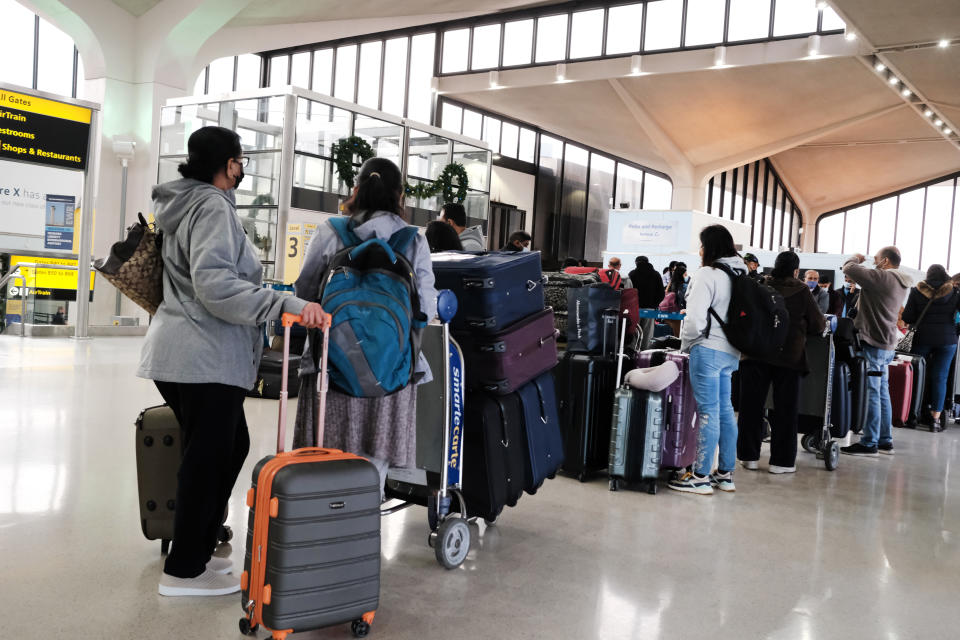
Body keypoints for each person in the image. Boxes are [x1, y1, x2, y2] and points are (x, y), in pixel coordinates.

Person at [137, 126, 326, 597]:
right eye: (240, 161)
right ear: (227, 164)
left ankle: (198, 550)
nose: (242, 170)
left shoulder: (182, 203)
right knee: (209, 457)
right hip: (204, 354)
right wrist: (279, 304)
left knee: (228, 446)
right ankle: (182, 571)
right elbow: (214, 286)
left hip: (181, 352)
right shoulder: (213, 206)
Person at [292, 157, 437, 472]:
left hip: (330, 369)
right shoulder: (414, 240)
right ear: (400, 197)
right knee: (373, 469)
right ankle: (363, 514)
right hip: (393, 373)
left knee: (322, 463)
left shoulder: (330, 231)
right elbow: (427, 307)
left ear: (356, 190)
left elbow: (304, 293)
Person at [668, 225, 745, 495]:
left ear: (709, 247)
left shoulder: (708, 273)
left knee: (708, 413)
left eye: (701, 244)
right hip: (731, 351)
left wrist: (687, 343)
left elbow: (695, 319)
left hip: (707, 348)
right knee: (725, 411)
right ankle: (724, 474)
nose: (699, 250)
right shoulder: (740, 273)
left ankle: (699, 476)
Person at [737, 251, 825, 474]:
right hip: (789, 357)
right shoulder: (803, 290)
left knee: (751, 407)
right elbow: (817, 325)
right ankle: (782, 462)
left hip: (755, 354)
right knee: (785, 410)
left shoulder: (760, 285)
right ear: (796, 271)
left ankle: (749, 457)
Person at [840, 247, 913, 456]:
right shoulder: (901, 282)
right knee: (882, 392)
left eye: (877, 259)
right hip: (887, 342)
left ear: (887, 261)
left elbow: (849, 268)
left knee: (873, 392)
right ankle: (884, 439)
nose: (874, 262)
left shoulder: (884, 278)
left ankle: (869, 441)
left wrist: (857, 258)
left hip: (873, 342)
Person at [901, 264, 960, 428]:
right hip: (948, 340)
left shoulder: (916, 291)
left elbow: (907, 316)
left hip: (923, 338)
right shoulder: (954, 292)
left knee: (918, 376)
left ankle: (913, 415)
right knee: (940, 377)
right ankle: (935, 420)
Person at [659, 263, 687, 336]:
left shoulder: (671, 283)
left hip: (669, 310)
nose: (686, 276)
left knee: (676, 332)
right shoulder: (684, 286)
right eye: (685, 274)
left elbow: (665, 293)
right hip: (680, 311)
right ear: (681, 275)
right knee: (679, 334)